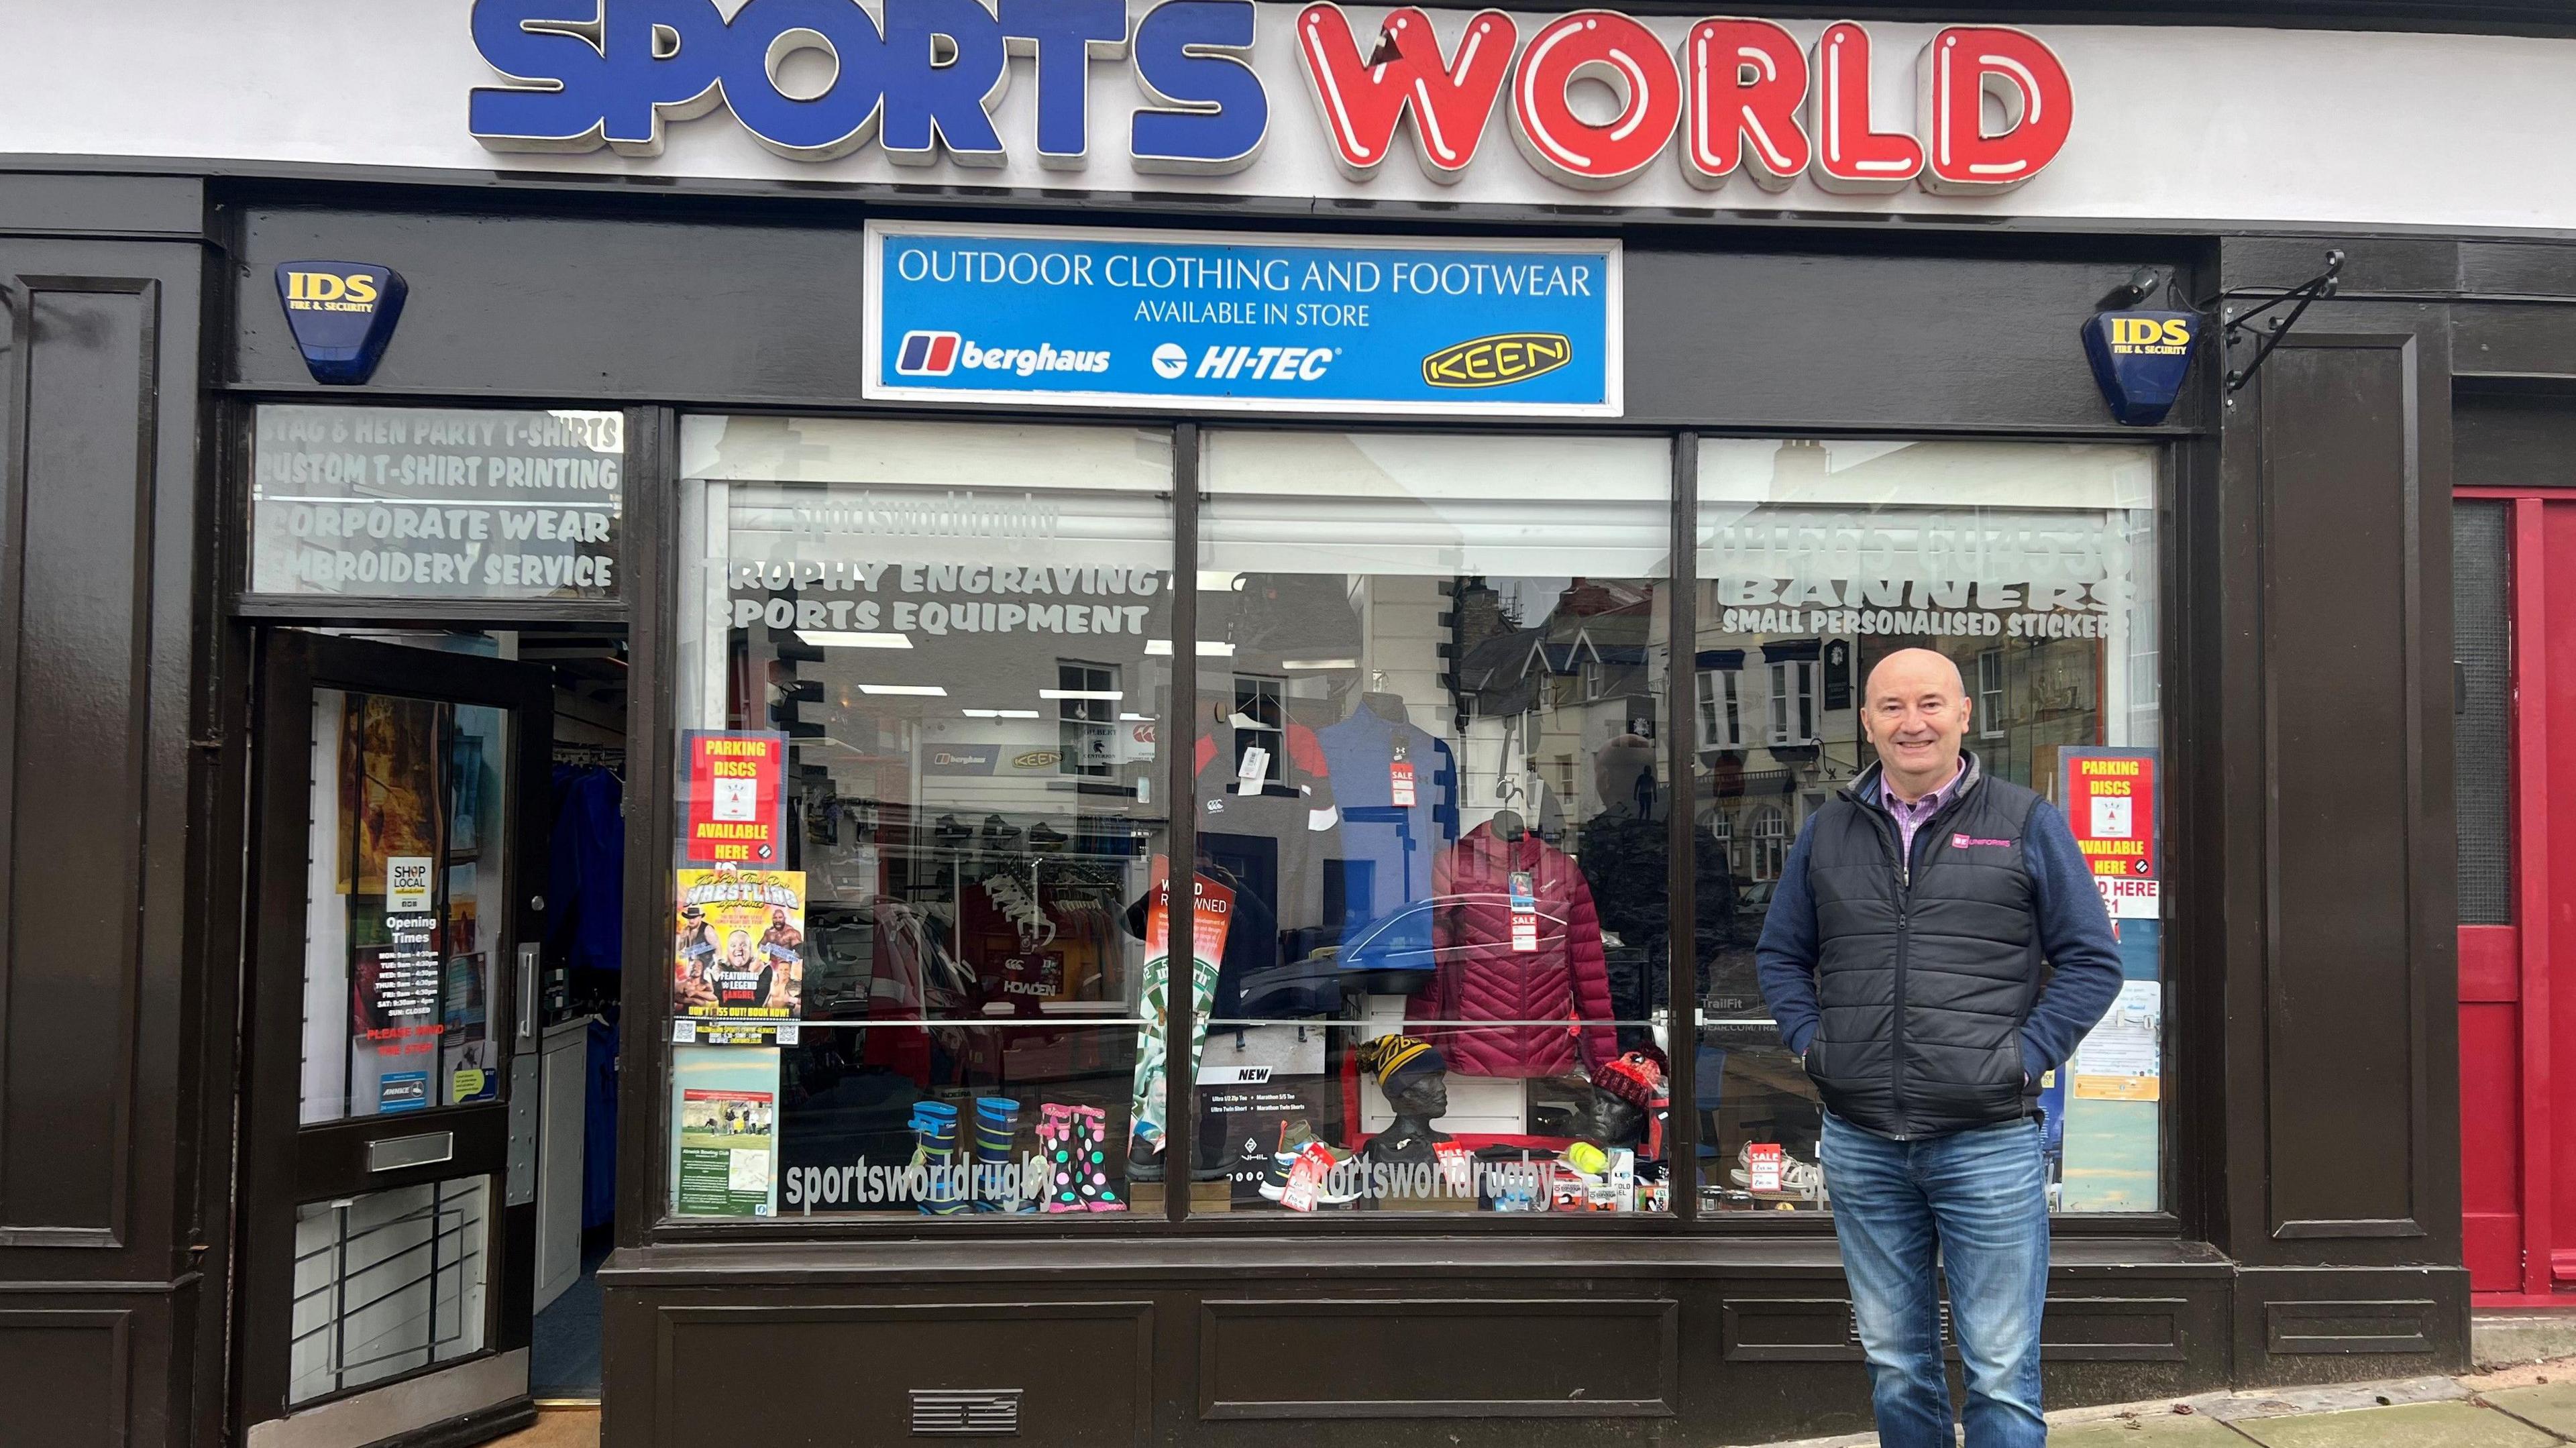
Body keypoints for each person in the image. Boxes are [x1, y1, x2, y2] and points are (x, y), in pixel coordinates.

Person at [1756, 648, 2123, 1448]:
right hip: (1862, 1139)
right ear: (1868, 723)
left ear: (1964, 713)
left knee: (1999, 1367)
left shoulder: (2026, 821)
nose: (1911, 721)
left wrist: (2024, 1058)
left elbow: (2093, 960)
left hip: (1987, 1138)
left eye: (1929, 703)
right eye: (1891, 706)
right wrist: (1817, 1050)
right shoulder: (1829, 830)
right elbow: (1780, 955)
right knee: (1895, 1359)